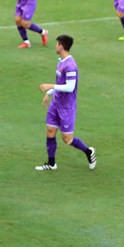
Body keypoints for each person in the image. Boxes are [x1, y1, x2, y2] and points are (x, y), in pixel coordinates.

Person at [36, 35, 97, 171]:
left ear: (61, 46)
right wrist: (49, 92)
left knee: (67, 139)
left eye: (57, 44)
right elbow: (60, 83)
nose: (55, 46)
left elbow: (69, 87)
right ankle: (51, 163)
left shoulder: (70, 66)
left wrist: (49, 86)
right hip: (55, 104)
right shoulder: (61, 61)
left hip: (66, 107)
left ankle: (89, 152)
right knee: (50, 130)